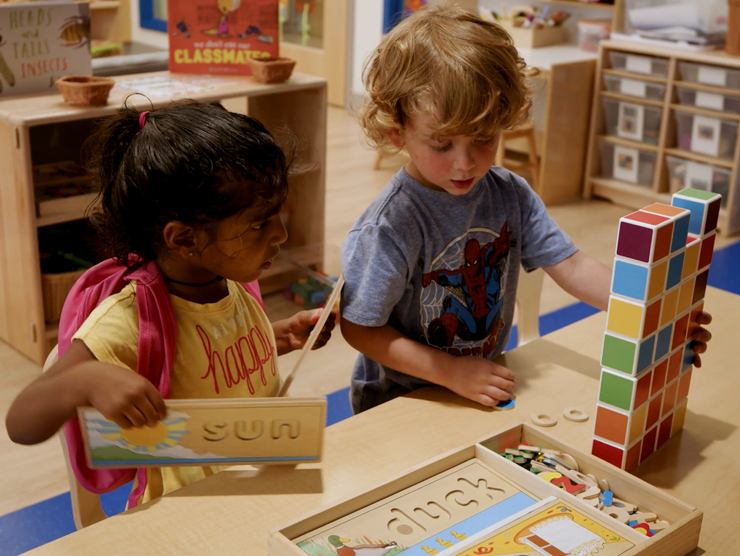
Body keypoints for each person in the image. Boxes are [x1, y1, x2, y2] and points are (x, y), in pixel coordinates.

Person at [340, 5, 712, 414]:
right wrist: (450, 371)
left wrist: (653, 310)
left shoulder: (510, 194)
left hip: (483, 382)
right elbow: (360, 327)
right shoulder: (390, 225)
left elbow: (572, 267)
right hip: (401, 400)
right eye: (442, 144)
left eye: (483, 138)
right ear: (398, 132)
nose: (465, 163)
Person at [5, 101, 336, 506]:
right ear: (184, 239)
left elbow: (210, 362)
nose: (281, 235)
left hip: (259, 479)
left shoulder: (232, 282)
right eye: (260, 223)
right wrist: (85, 380)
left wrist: (283, 337)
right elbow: (21, 423)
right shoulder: (128, 321)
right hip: (190, 511)